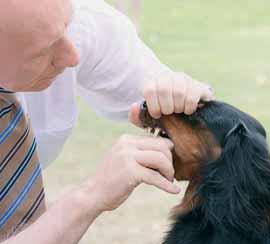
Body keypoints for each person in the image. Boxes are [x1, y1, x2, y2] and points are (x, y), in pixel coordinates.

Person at [0, 0, 213, 243]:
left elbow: (180, 99)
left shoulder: (77, 18)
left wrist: (183, 94)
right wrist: (90, 196)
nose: (73, 57)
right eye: (42, 52)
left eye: (67, 27)